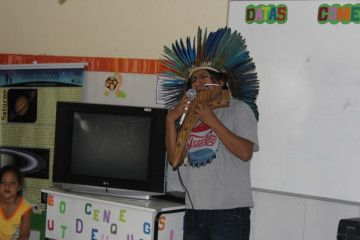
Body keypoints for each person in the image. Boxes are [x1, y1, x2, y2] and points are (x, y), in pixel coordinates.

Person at [159, 27, 260, 240]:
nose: (197, 83)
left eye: (203, 77)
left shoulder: (239, 109)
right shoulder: (191, 116)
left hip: (230, 211)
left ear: (220, 81)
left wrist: (210, 119)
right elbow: (175, 159)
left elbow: (245, 153)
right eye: (193, 80)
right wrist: (170, 119)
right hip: (195, 209)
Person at [0, 165, 33, 240]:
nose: (7, 186)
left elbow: (24, 237)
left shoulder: (26, 209)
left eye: (12, 183)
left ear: (19, 187)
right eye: (3, 182)